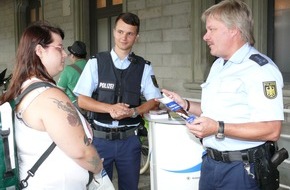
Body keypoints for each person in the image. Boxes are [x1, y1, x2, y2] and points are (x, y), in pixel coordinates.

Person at [162, 0, 284, 189]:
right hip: (211, 163)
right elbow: (213, 111)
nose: (205, 36)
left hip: (240, 170)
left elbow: (272, 130)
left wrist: (217, 128)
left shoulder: (260, 69)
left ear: (234, 29)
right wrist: (184, 104)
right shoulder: (219, 65)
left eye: (212, 29)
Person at [0, 21, 103, 189]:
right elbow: (82, 152)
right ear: (39, 51)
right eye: (59, 48)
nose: (64, 54)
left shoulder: (23, 87)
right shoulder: (49, 96)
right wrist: (98, 167)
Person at [74, 12, 161, 190]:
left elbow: (154, 100)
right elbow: (82, 100)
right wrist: (109, 108)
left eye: (130, 33)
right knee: (97, 186)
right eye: (121, 32)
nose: (124, 37)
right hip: (100, 140)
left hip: (129, 141)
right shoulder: (96, 63)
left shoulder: (143, 67)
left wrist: (134, 111)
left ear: (137, 37)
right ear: (114, 32)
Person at [57, 40, 87, 106]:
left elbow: (59, 90)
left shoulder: (68, 70)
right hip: (91, 104)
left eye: (70, 54)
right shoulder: (91, 65)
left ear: (72, 55)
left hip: (76, 106)